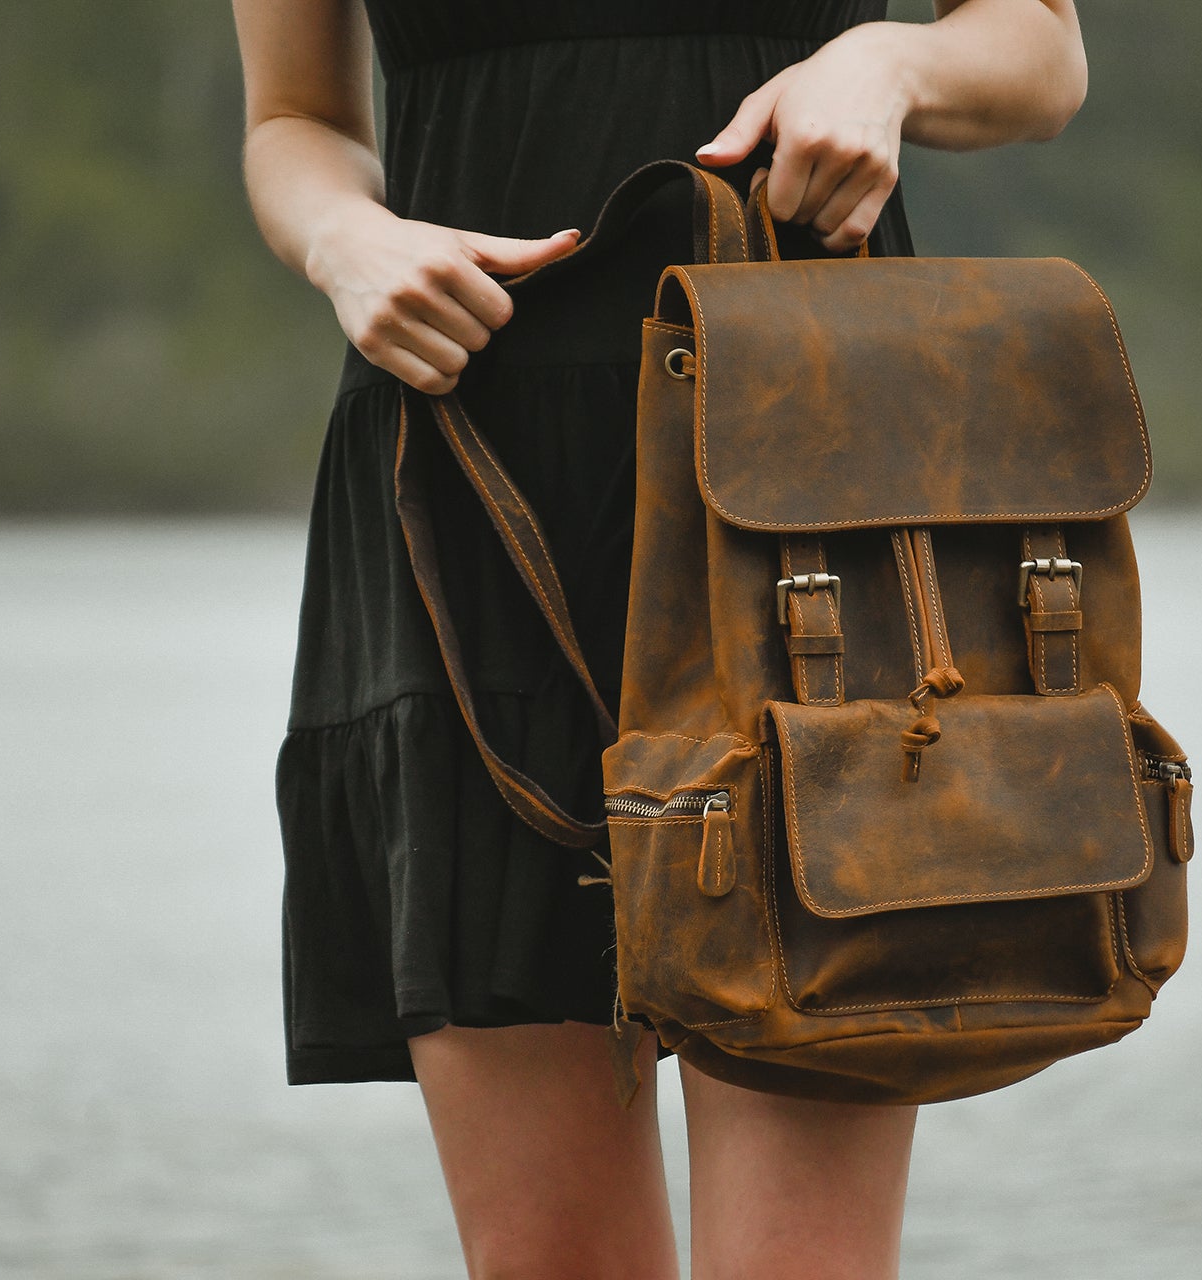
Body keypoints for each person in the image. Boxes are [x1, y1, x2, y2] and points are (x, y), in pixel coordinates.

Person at [230, 2, 1088, 1275]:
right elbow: (296, 119)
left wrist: (888, 63)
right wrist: (343, 239)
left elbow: (1042, 51)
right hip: (466, 464)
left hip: (805, 478)